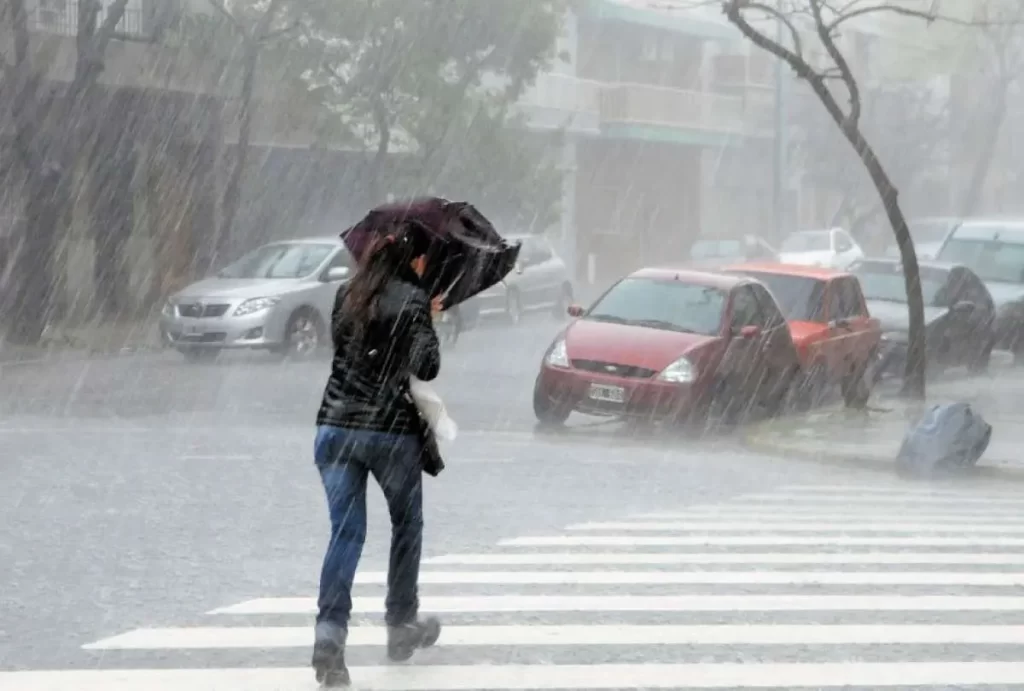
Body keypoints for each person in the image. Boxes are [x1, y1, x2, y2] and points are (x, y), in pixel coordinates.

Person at [312, 222, 442, 687]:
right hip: (388, 433)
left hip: (334, 428)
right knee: (406, 525)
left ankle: (329, 638)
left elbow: (347, 352)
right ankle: (401, 623)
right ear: (413, 259)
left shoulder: (345, 294)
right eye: (425, 258)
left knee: (345, 536)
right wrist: (426, 316)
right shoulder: (412, 299)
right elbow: (427, 366)